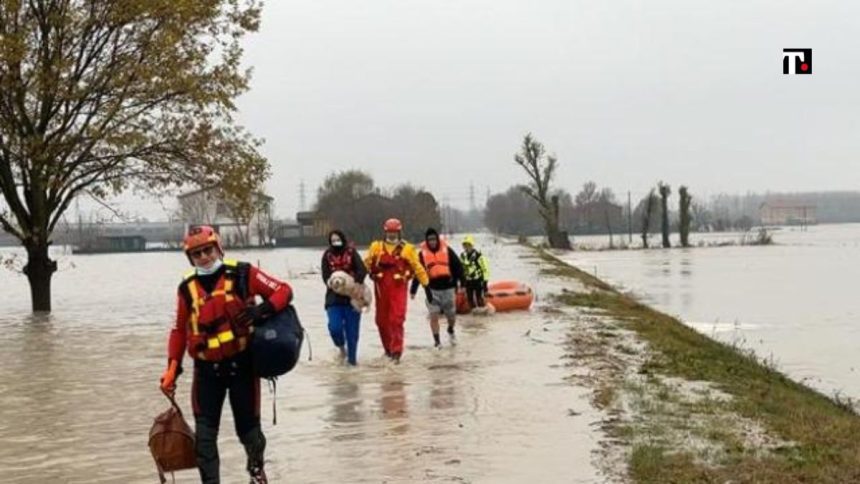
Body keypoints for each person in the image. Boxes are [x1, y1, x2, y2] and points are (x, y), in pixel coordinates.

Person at [160, 225, 293, 484]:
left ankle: (256, 473)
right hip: (206, 373)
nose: (204, 257)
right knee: (205, 440)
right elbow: (179, 330)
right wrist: (172, 369)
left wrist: (261, 310)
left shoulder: (243, 274)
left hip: (242, 367)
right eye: (197, 254)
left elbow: (284, 291)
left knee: (250, 434)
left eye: (208, 250)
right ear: (191, 258)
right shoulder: (186, 289)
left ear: (218, 248)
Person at [364, 218, 429, 363]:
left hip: (398, 289)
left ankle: (396, 352)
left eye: (394, 232)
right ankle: (388, 350)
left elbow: (418, 268)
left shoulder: (408, 249)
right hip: (381, 290)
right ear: (385, 232)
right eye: (389, 232)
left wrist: (427, 286)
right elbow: (366, 264)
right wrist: (357, 280)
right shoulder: (376, 247)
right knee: (381, 321)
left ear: (399, 232)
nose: (392, 235)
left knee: (396, 320)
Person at [410, 228, 464, 348]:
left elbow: (459, 268)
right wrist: (413, 290)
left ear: (437, 239)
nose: (432, 242)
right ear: (426, 241)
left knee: (451, 315)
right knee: (433, 315)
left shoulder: (447, 251)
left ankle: (450, 329)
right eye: (429, 240)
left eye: (434, 239)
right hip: (432, 290)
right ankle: (437, 342)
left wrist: (462, 285)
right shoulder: (422, 255)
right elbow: (418, 273)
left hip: (448, 288)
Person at [321, 229, 367, 366]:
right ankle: (341, 348)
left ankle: (352, 364)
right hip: (334, 299)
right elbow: (325, 275)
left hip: (353, 299)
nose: (336, 242)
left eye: (338, 239)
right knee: (335, 328)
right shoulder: (327, 255)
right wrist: (333, 284)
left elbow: (362, 270)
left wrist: (354, 284)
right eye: (333, 240)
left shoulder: (351, 253)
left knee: (352, 334)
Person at [460, 235, 490, 312]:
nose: (466, 247)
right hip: (468, 282)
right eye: (465, 245)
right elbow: (460, 270)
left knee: (479, 299)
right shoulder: (462, 256)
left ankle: (482, 316)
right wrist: (460, 283)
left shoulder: (479, 256)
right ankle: (474, 315)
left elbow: (486, 270)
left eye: (468, 245)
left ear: (472, 245)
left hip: (478, 281)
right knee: (470, 299)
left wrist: (485, 285)